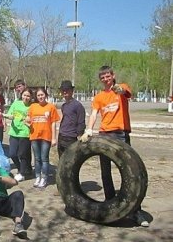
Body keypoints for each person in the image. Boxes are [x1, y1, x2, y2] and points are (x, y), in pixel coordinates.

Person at [80, 65, 149, 227]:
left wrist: (119, 89)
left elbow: (125, 92)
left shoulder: (121, 88)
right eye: (102, 77)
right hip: (104, 134)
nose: (105, 79)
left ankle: (135, 212)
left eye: (107, 75)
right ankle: (110, 205)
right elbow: (95, 113)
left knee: (131, 172)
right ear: (100, 79)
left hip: (121, 133)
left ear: (113, 75)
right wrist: (89, 129)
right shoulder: (98, 97)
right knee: (105, 172)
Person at [27, 87, 60, 188]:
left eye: (42, 95)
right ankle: (38, 177)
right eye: (38, 95)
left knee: (44, 158)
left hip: (46, 136)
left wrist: (54, 138)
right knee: (37, 158)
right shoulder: (33, 106)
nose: (40, 97)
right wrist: (27, 121)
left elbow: (53, 123)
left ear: (45, 95)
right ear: (36, 97)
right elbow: (28, 118)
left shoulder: (51, 107)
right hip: (34, 136)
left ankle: (44, 178)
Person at [3, 86, 32, 182]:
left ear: (31, 97)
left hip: (25, 133)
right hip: (14, 132)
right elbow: (11, 115)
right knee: (12, 154)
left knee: (22, 154)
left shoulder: (32, 106)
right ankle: (20, 169)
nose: (26, 97)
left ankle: (22, 173)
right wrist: (4, 115)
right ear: (21, 95)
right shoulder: (16, 104)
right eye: (24, 95)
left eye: (28, 96)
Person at [57, 80, 86, 158]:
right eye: (63, 90)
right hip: (61, 136)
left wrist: (80, 136)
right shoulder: (64, 106)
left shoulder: (78, 105)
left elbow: (81, 122)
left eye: (67, 90)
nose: (65, 92)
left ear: (72, 91)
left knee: (70, 162)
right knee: (62, 160)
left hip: (71, 137)